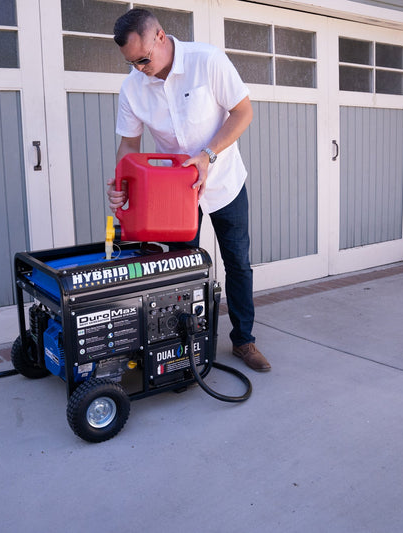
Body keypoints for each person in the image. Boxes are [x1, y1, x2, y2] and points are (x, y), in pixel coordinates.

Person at [107, 8, 270, 372]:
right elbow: (129, 146)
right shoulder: (132, 87)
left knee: (238, 264)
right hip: (174, 195)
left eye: (144, 59)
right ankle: (184, 345)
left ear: (161, 37)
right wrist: (121, 186)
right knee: (181, 269)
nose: (140, 69)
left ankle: (244, 340)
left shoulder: (207, 60)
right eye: (132, 63)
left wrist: (207, 155)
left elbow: (243, 112)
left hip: (224, 180)